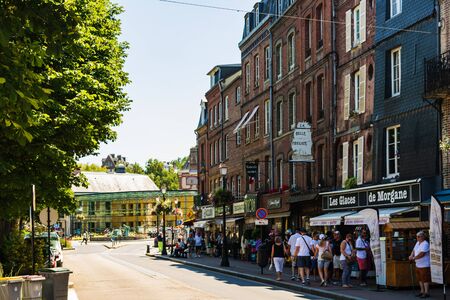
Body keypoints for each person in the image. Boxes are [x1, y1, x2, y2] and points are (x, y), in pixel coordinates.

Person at [409, 231, 431, 298]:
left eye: (419, 236)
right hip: (418, 264)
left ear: (423, 237)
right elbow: (414, 250)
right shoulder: (418, 243)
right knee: (420, 279)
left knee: (425, 279)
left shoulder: (425, 244)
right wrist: (411, 255)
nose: (417, 238)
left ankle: (426, 292)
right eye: (417, 236)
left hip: (424, 264)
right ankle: (422, 291)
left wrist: (414, 258)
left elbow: (422, 254)